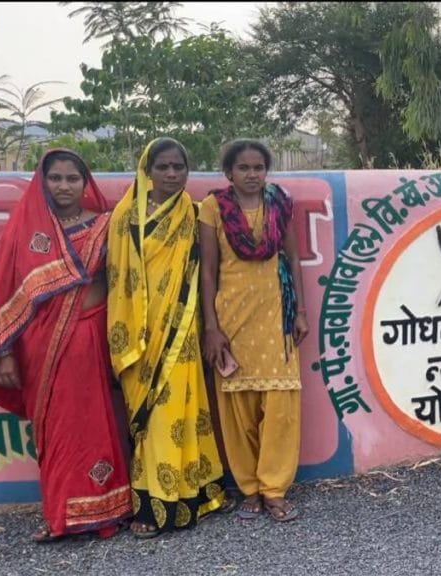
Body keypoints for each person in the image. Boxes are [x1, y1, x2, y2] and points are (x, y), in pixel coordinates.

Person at [0, 149, 131, 543]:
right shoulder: (21, 231)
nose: (64, 186)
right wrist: (5, 353)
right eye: (55, 178)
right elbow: (3, 294)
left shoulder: (106, 226)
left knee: (100, 423)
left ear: (86, 183)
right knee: (59, 432)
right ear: (42, 181)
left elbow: (129, 283)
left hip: (95, 338)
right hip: (42, 347)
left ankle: (108, 509)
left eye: (72, 178)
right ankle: (62, 516)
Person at [107, 137, 233, 537]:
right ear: (148, 170)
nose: (173, 174)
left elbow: (210, 272)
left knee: (182, 413)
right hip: (141, 338)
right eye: (163, 167)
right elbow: (118, 280)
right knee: (151, 418)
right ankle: (151, 501)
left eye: (179, 167)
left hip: (182, 334)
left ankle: (192, 495)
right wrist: (131, 335)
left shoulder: (195, 216)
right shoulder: (125, 218)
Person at [198, 139, 309, 523]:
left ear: (266, 171)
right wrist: (211, 327)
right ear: (228, 173)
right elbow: (208, 272)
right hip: (232, 319)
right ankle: (249, 489)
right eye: (243, 168)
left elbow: (293, 258)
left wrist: (301, 312)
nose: (251, 175)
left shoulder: (279, 203)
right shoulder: (213, 208)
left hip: (277, 316)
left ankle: (274, 489)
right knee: (238, 409)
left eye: (258, 167)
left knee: (280, 408)